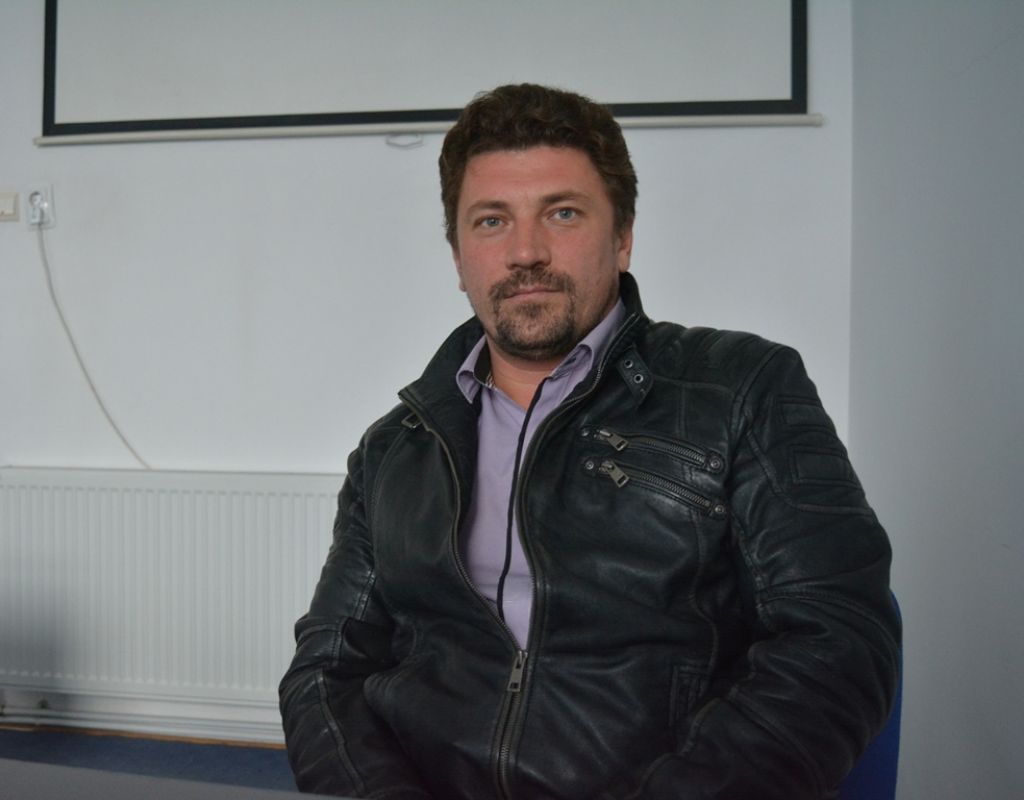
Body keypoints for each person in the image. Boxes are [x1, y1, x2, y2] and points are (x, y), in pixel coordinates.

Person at [279, 83, 900, 799]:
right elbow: (326, 670)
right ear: (458, 257)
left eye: (563, 213)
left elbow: (838, 641)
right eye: (491, 221)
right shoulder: (395, 448)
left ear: (623, 236)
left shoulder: (742, 389)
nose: (525, 252)